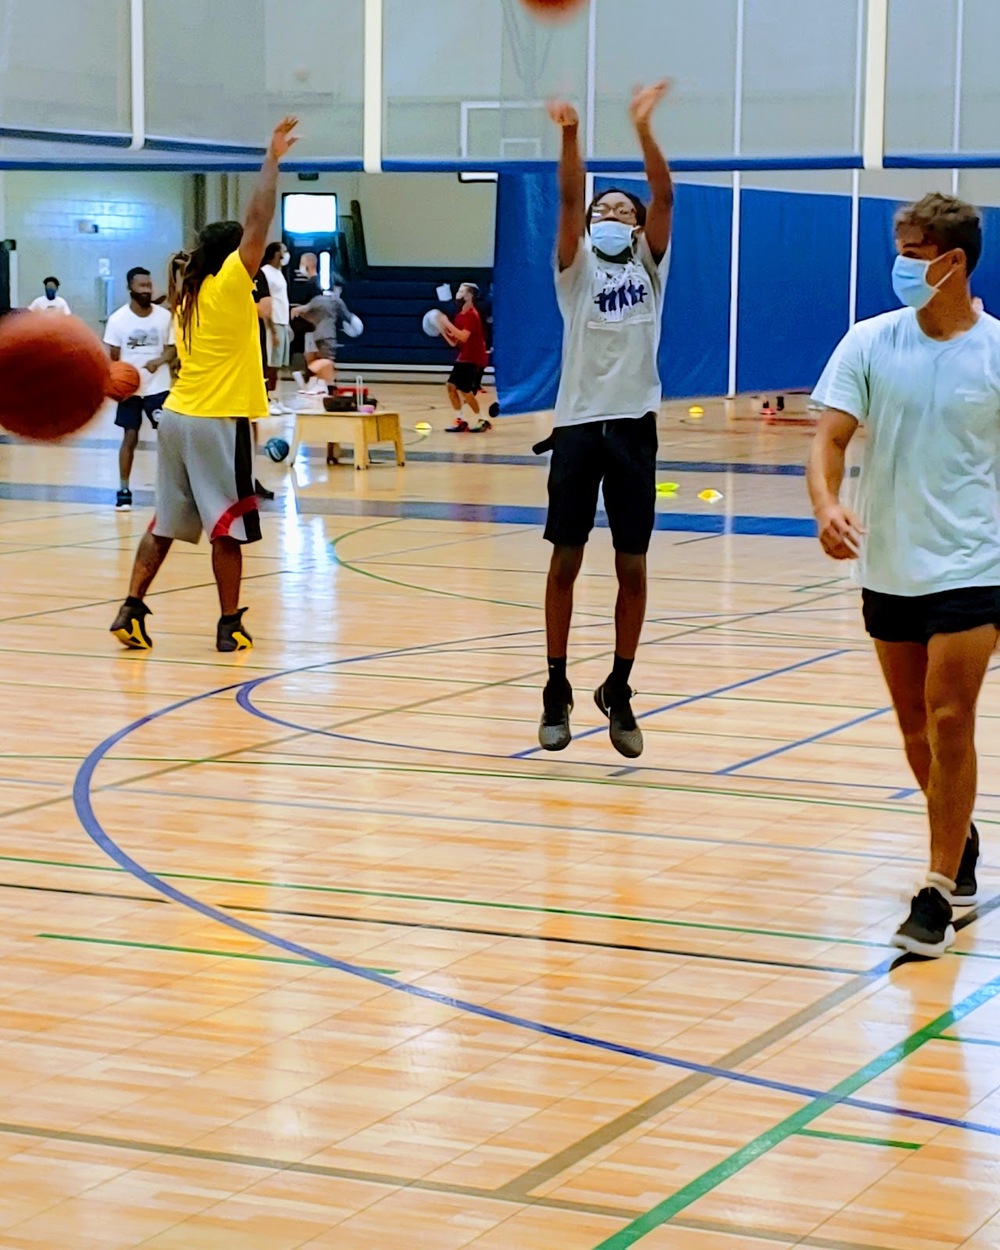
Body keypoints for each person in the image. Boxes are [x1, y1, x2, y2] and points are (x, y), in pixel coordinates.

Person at [808, 192, 996, 958]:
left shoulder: (995, 352)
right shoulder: (868, 342)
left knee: (951, 717)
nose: (900, 265)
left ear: (952, 262)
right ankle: (960, 836)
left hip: (976, 562)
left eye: (913, 252)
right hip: (889, 565)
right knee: (916, 729)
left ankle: (937, 890)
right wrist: (825, 504)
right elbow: (830, 440)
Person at [109, 116, 299, 654]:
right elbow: (258, 216)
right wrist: (272, 160)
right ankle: (228, 624)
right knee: (229, 527)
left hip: (175, 418)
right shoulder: (229, 284)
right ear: (235, 256)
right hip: (216, 420)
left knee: (165, 522)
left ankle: (131, 609)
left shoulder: (187, 295)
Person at [537, 82, 673, 759]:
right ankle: (556, 686)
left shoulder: (651, 264)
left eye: (625, 207)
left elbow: (666, 197)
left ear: (640, 224)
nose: (614, 212)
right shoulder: (577, 267)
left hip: (634, 428)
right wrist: (570, 133)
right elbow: (567, 198)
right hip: (578, 427)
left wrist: (643, 128)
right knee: (565, 560)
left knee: (633, 567)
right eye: (605, 207)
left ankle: (618, 686)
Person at [103, 266, 176, 511]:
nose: (146, 289)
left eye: (149, 285)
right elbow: (113, 358)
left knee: (167, 439)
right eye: (141, 286)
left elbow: (172, 348)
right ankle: (123, 489)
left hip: (159, 387)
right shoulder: (117, 320)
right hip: (130, 390)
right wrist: (116, 382)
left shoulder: (164, 317)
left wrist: (159, 361)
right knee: (130, 436)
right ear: (130, 288)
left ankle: (171, 491)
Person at [290, 285, 362, 389]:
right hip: (329, 335)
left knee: (325, 363)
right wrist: (356, 328)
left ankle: (329, 386)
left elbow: (303, 311)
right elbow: (348, 317)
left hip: (316, 335)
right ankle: (308, 372)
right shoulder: (336, 301)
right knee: (328, 360)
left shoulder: (317, 300)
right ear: (337, 289)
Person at [443, 283, 491, 433]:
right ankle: (460, 420)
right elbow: (454, 342)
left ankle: (483, 420)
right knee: (451, 387)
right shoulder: (460, 316)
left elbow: (463, 336)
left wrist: (445, 322)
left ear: (469, 296)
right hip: (464, 357)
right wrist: (441, 329)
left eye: (461, 291)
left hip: (474, 358)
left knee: (465, 391)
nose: (457, 293)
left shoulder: (472, 315)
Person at [261, 241, 292, 414]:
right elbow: (267, 302)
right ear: (275, 254)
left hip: (282, 320)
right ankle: (267, 398)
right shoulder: (266, 272)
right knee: (270, 363)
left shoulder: (279, 273)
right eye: (284, 251)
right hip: (272, 322)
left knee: (278, 364)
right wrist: (271, 328)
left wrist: (287, 325)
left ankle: (274, 397)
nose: (286, 255)